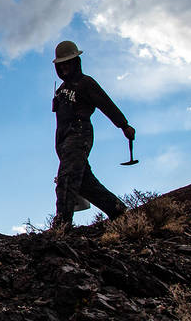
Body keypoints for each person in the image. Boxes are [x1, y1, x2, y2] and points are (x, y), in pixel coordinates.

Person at [51, 40, 135, 229]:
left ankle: (61, 228)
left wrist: (124, 125)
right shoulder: (60, 90)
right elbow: (59, 123)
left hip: (80, 133)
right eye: (61, 63)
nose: (64, 66)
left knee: (67, 179)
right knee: (84, 184)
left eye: (68, 62)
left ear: (76, 62)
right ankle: (120, 213)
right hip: (64, 140)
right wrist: (59, 146)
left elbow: (106, 104)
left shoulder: (86, 83)